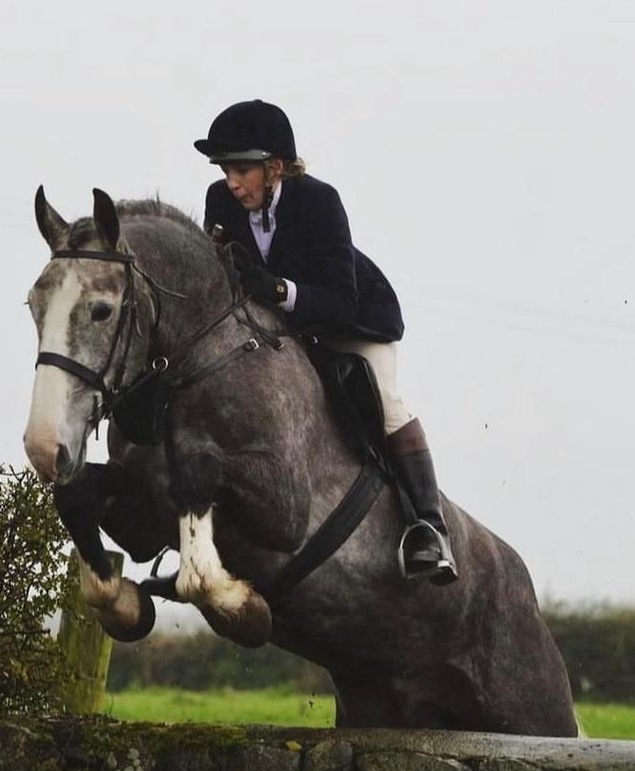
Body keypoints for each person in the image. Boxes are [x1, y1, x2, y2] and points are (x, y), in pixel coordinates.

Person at [194, 99, 458, 585]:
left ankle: (429, 528)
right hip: (288, 333)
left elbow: (338, 301)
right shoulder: (221, 201)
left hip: (354, 323)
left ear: (275, 168)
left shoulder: (318, 201)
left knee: (385, 403)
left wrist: (276, 289)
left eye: (242, 170)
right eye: (226, 170)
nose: (232, 182)